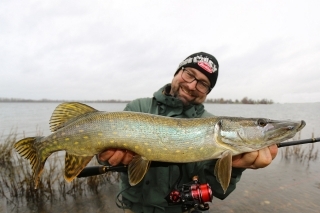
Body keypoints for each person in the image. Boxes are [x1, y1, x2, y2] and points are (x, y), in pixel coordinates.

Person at [97, 52, 278, 213]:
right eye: (189, 74)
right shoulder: (138, 108)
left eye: (203, 84)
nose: (192, 86)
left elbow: (216, 189)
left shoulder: (211, 124)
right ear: (177, 72)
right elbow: (102, 154)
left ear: (207, 92)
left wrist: (236, 167)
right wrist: (104, 157)